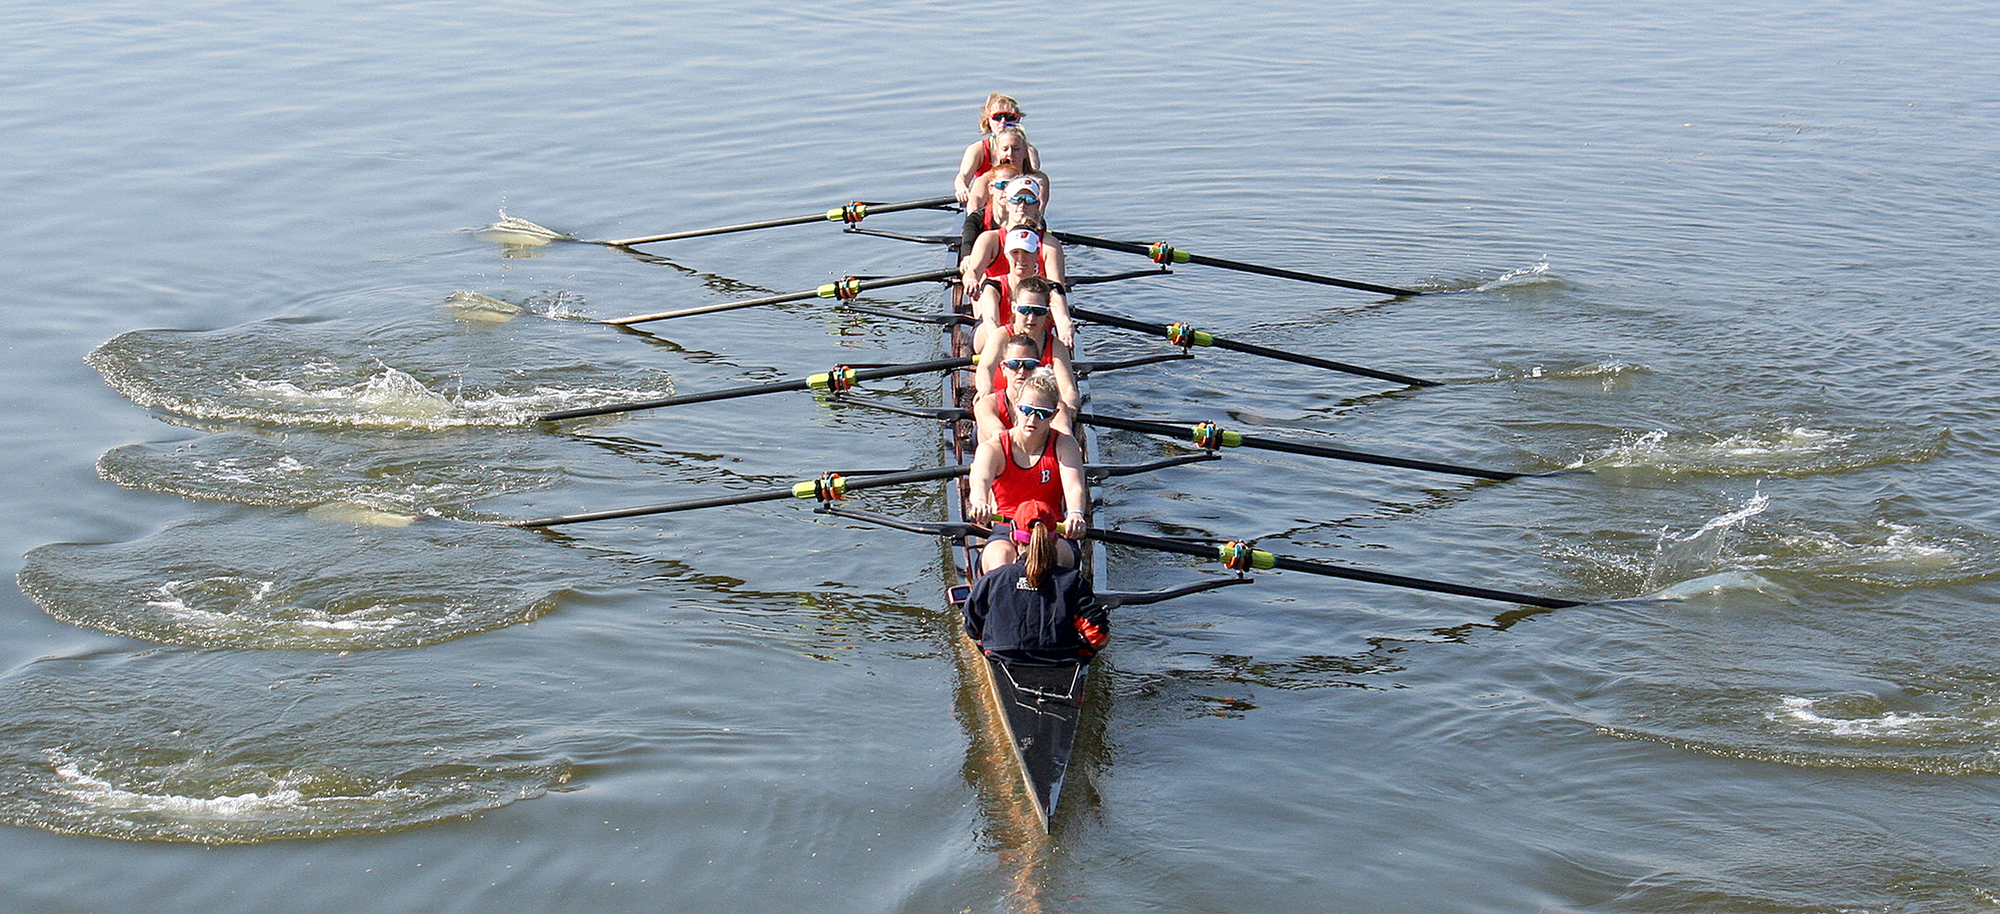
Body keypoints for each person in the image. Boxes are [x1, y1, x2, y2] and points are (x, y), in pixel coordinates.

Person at [967, 369, 1088, 573]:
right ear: (1016, 406)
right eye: (1026, 410)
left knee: (1053, 560)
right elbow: (980, 480)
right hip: (1007, 530)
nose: (1032, 420)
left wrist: (1075, 513)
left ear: (1054, 415)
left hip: (1051, 531)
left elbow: (1074, 487)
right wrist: (979, 502)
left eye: (1042, 414)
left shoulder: (1064, 445)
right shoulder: (993, 448)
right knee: (1001, 560)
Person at [962, 498, 1108, 666]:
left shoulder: (994, 579)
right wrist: (1084, 651)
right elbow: (1098, 637)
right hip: (1061, 660)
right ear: (1055, 540)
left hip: (1005, 659)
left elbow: (972, 627)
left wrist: (990, 644)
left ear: (1013, 539)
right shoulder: (1073, 581)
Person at [960, 182, 1071, 346]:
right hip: (997, 308)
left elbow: (1057, 290)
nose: (1022, 205)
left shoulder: (1050, 244)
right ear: (1007, 202)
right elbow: (973, 273)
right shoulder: (990, 239)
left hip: (1035, 308)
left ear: (1038, 205)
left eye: (1028, 200)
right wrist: (970, 280)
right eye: (1017, 199)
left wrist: (1065, 329)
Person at [973, 276, 1078, 419]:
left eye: (1038, 311)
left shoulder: (1056, 346)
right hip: (1003, 411)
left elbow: (1069, 390)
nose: (1031, 318)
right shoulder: (1001, 336)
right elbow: (985, 368)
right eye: (1025, 310)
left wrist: (1070, 407)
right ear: (1014, 308)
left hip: (1039, 416)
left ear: (1047, 312)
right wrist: (985, 388)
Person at [970, 226, 1075, 354]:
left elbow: (1063, 319)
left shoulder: (1051, 288)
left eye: (1027, 252)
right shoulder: (993, 286)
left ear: (1037, 254)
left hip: (1033, 340)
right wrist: (1007, 349)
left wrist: (1066, 334)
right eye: (1015, 252)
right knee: (987, 332)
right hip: (995, 340)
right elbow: (991, 321)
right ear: (1006, 254)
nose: (1021, 259)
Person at [973, 331, 1075, 441]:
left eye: (1029, 365)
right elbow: (998, 435)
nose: (1021, 371)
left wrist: (1069, 444)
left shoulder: (1055, 406)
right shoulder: (986, 405)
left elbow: (1063, 429)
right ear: (1003, 368)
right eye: (1014, 364)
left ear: (1037, 368)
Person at [953, 94, 1043, 205]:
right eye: (997, 117)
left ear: (1018, 119)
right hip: (985, 202)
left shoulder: (1028, 151)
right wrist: (962, 189)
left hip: (1019, 203)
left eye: (1009, 117)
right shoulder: (977, 149)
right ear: (988, 121)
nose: (1003, 122)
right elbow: (963, 176)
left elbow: (1035, 178)